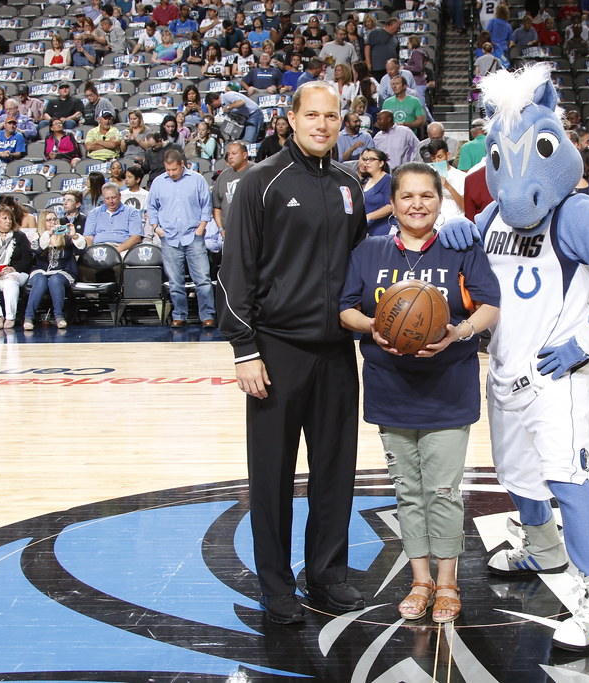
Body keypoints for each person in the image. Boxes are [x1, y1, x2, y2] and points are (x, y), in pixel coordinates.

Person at [437, 64, 589, 651]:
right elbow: (471, 243)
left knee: (568, 477)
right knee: (515, 473)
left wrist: (586, 342)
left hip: (563, 369)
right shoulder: (498, 213)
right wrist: (458, 232)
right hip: (506, 364)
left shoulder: (577, 213)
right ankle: (542, 544)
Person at [217, 80, 368, 624]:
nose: (323, 125)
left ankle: (328, 574)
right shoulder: (261, 182)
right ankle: (277, 585)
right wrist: (244, 349)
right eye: (313, 115)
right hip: (275, 351)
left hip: (335, 354)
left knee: (335, 471)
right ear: (291, 118)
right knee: (273, 476)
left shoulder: (351, 185)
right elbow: (235, 271)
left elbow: (359, 268)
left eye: (332, 116)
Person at [339, 162, 500, 623]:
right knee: (408, 492)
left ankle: (448, 583)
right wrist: (374, 324)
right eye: (406, 196)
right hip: (390, 387)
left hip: (448, 389)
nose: (416, 205)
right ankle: (420, 580)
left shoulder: (460, 247)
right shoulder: (368, 252)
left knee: (444, 491)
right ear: (392, 203)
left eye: (426, 196)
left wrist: (460, 332)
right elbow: (345, 308)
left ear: (439, 200)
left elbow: (491, 304)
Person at [147, 149, 215, 328]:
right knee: (175, 281)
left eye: (174, 170)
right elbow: (151, 207)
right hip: (168, 237)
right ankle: (179, 315)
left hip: (193, 236)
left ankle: (207, 315)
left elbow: (206, 205)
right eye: (167, 170)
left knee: (203, 279)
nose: (170, 173)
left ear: (182, 165)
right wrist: (156, 228)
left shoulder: (197, 179)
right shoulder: (158, 182)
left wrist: (201, 228)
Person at [24, 209, 86, 330]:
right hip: (41, 270)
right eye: (48, 220)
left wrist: (74, 235)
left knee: (55, 280)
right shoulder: (37, 236)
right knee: (40, 280)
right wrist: (49, 234)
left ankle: (59, 316)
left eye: (54, 219)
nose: (52, 222)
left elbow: (82, 248)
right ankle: (28, 317)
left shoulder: (66, 236)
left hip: (63, 270)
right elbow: (38, 248)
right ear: (43, 222)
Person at [0, 204, 32, 330]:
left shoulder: (20, 237)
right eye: (4, 218)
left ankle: (10, 317)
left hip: (16, 272)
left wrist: (14, 268)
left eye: (10, 219)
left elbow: (28, 260)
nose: (8, 221)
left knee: (10, 281)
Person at [84, 182, 144, 254]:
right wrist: (91, 251)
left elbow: (136, 237)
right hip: (98, 248)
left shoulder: (132, 212)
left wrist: (116, 251)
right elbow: (88, 237)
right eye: (107, 198)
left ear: (119, 196)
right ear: (103, 198)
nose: (111, 201)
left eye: (113, 197)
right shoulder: (94, 213)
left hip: (122, 249)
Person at [212, 141, 250, 245]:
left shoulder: (257, 172)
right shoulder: (222, 177)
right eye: (228, 154)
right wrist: (220, 229)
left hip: (253, 233)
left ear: (244, 155)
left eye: (234, 154)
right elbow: (217, 206)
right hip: (230, 234)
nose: (230, 157)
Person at [360, 148, 392, 236]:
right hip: (368, 229)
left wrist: (369, 216)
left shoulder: (387, 180)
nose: (367, 162)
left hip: (382, 230)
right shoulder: (367, 181)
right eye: (366, 159)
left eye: (372, 159)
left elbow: (390, 206)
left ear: (381, 163)